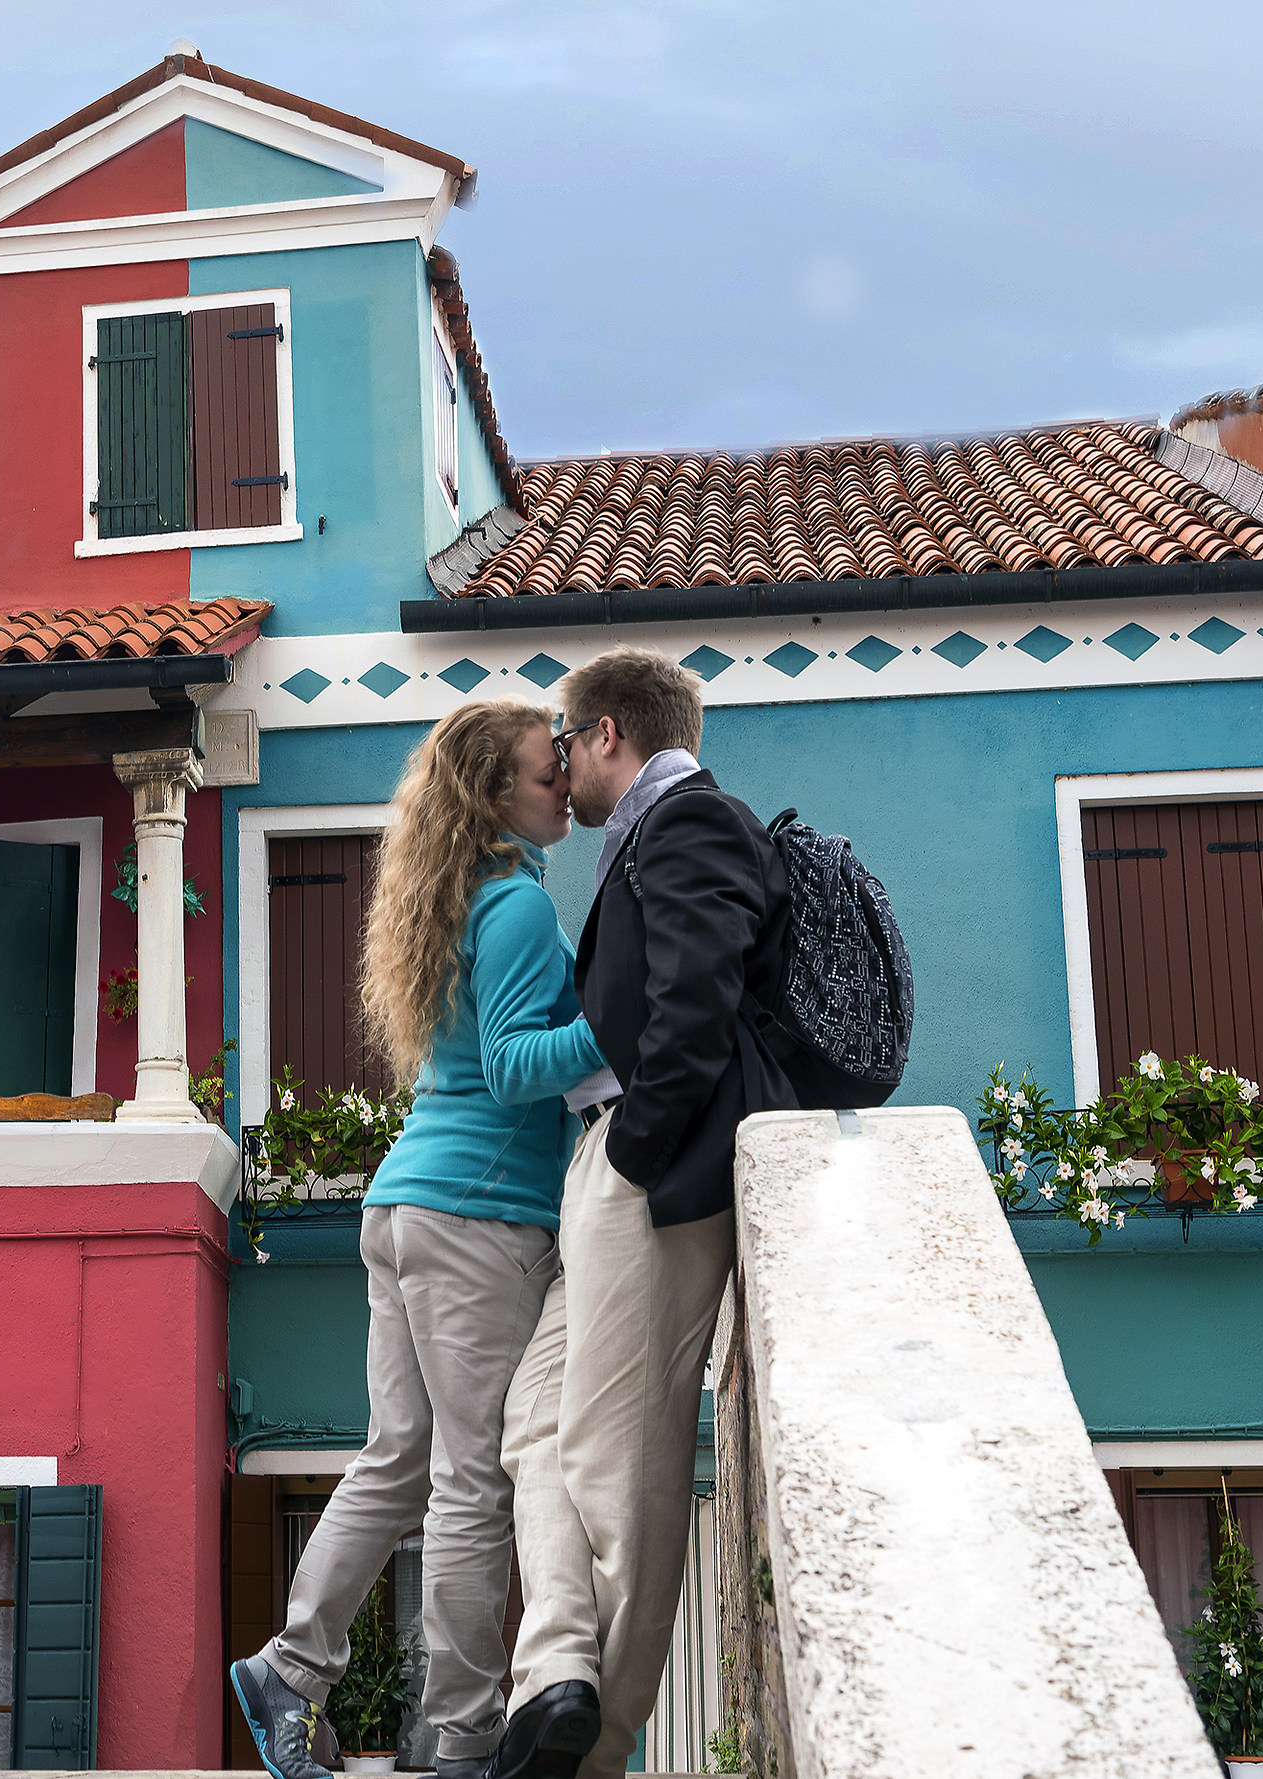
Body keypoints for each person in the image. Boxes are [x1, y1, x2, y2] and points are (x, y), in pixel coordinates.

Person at [232, 700, 606, 1779]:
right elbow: (519, 1067)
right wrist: (633, 1013)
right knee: (473, 1480)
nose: (564, 785)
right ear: (494, 797)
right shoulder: (520, 909)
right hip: (479, 1217)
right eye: (547, 773)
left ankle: (291, 1671)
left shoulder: (453, 899)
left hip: (402, 1209)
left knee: (398, 1463)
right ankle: (458, 1733)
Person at [490, 647, 794, 1779]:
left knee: (625, 1459)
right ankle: (557, 1675)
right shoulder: (652, 836)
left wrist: (639, 1151)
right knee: (537, 1421)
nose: (560, 767)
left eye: (564, 742)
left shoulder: (691, 821)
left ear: (608, 730)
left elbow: (698, 996)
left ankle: (596, 1745)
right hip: (612, 1167)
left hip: (646, 1171)